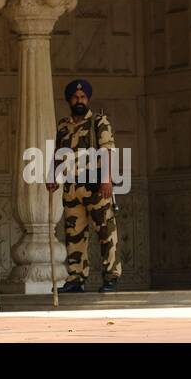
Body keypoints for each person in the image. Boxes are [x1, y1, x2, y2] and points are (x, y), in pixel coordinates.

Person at [45, 78, 122, 293]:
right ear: (69, 100)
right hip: (71, 188)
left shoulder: (99, 122)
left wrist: (107, 179)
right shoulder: (63, 125)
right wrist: (52, 176)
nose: (79, 100)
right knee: (74, 235)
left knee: (106, 232)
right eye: (75, 97)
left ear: (88, 99)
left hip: (96, 186)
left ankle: (111, 276)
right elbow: (58, 153)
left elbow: (108, 150)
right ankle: (76, 277)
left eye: (83, 97)